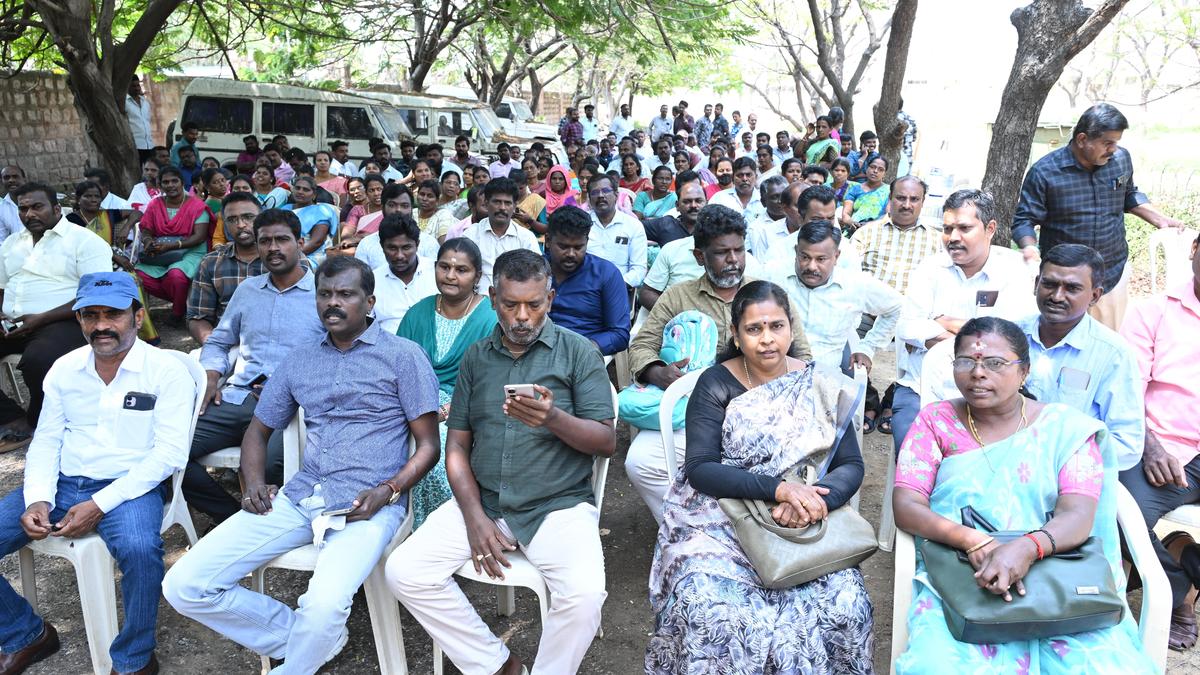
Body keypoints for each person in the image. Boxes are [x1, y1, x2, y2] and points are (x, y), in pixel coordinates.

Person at [165, 256, 440, 673]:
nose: (333, 303)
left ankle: (304, 651)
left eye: (345, 294)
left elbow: (428, 446)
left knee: (324, 605)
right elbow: (257, 431)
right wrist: (253, 482)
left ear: (369, 302)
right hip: (301, 495)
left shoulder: (403, 356)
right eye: (325, 294)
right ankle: (303, 639)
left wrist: (389, 490)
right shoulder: (301, 359)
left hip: (368, 505)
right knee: (184, 585)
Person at [386, 248, 615, 675]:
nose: (522, 316)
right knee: (404, 571)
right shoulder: (476, 357)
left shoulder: (578, 352)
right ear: (493, 298)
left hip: (556, 505)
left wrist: (554, 418)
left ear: (550, 298)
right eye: (511, 304)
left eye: (534, 303)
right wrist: (473, 516)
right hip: (486, 502)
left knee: (584, 596)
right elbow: (455, 448)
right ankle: (497, 665)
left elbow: (605, 441)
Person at [892, 317, 1156, 673]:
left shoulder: (1066, 429)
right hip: (962, 577)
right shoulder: (935, 422)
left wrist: (1026, 548)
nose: (978, 373)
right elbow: (907, 505)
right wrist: (971, 540)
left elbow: (1078, 515)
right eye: (966, 361)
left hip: (1057, 577)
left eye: (995, 363)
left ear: (1024, 371)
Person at [646, 280, 873, 673]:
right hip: (722, 515)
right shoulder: (715, 383)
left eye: (777, 326)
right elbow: (701, 468)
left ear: (790, 327)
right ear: (735, 334)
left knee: (846, 602)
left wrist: (816, 500)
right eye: (754, 329)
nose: (767, 340)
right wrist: (779, 490)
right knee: (711, 605)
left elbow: (850, 464)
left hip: (806, 517)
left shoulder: (817, 382)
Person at [0, 272, 194, 674]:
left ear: (137, 317)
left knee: (142, 552)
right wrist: (38, 496)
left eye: (113, 314)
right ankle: (25, 634)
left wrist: (100, 504)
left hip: (130, 487)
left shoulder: (165, 371)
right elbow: (47, 440)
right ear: (79, 319)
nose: (101, 325)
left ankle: (134, 657)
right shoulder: (64, 370)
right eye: (90, 315)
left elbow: (169, 455)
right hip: (62, 482)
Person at [626, 205, 811, 521]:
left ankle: (751, 523)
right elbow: (641, 345)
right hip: (694, 416)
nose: (733, 260)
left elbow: (804, 357)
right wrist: (659, 373)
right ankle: (689, 521)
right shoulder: (677, 297)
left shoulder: (767, 297)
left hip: (763, 417)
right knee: (639, 463)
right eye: (722, 253)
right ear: (700, 256)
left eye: (739, 250)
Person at [184, 208, 326, 523]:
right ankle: (230, 517)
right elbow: (220, 341)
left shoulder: (322, 292)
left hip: (289, 405)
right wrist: (211, 376)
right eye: (265, 241)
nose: (273, 248)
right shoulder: (248, 291)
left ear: (300, 243)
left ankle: (270, 520)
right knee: (168, 454)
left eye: (281, 240)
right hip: (236, 396)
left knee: (275, 464)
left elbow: (336, 352)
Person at [1013, 103, 1182, 331]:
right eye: (1107, 143)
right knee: (1061, 339)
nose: (1113, 149)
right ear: (1082, 139)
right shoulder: (1045, 172)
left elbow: (1129, 195)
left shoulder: (1120, 160)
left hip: (1111, 273)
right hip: (1064, 280)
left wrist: (1160, 220)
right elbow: (1024, 219)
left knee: (1107, 342)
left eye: (1116, 142)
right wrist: (1029, 248)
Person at [893, 189, 1036, 455]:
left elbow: (1012, 335)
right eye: (947, 229)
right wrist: (980, 339)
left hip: (991, 394)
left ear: (990, 228)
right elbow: (908, 328)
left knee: (1005, 461)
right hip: (919, 389)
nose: (953, 238)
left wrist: (941, 323)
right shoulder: (930, 268)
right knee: (916, 457)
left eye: (964, 228)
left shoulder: (1013, 271)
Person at [1117, 230, 1200, 650]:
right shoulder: (1153, 312)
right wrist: (1150, 445)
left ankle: (1183, 551)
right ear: (1194, 250)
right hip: (1167, 449)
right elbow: (1126, 392)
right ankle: (1175, 590)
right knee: (1115, 515)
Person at [397, 238, 498, 528]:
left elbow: (493, 380)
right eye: (444, 267)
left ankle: (440, 534)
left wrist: (446, 410)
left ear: (477, 276)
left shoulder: (490, 317)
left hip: (468, 408)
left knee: (437, 462)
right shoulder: (418, 312)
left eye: (462, 269)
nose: (451, 275)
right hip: (415, 405)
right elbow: (398, 370)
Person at [1016, 244, 1144, 470]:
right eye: (1049, 284)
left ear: (1095, 296)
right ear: (1036, 284)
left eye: (1072, 288)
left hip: (1073, 471)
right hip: (1006, 459)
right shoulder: (1010, 336)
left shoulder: (1113, 354)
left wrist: (1060, 454)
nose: (1056, 296)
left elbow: (1127, 445)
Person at [766, 221, 903, 373]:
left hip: (824, 380)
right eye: (805, 257)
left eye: (821, 259)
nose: (811, 266)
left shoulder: (855, 285)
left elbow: (897, 307)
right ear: (796, 251)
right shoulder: (772, 275)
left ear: (836, 256)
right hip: (772, 373)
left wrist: (868, 348)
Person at [66, 181, 159, 346]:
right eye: (88, 196)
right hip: (87, 264)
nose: (93, 200)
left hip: (113, 260)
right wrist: (114, 254)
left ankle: (142, 332)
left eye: (97, 196)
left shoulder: (108, 214)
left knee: (131, 280)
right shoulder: (72, 220)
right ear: (79, 199)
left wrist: (126, 227)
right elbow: (77, 246)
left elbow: (136, 213)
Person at [545, 206, 630, 355]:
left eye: (578, 247)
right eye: (563, 247)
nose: (571, 254)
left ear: (587, 242)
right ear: (548, 241)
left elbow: (619, 334)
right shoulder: (532, 271)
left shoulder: (606, 273)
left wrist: (584, 349)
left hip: (583, 354)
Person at [186, 192, 266, 344]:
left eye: (248, 217)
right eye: (232, 219)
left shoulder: (285, 258)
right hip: (228, 345)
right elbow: (198, 317)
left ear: (262, 218)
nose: (241, 225)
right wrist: (215, 347)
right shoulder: (211, 263)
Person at [135, 166, 212, 323]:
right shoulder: (155, 205)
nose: (170, 185)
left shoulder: (196, 206)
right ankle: (181, 300)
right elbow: (146, 229)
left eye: (174, 181)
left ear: (182, 182)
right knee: (138, 276)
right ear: (160, 186)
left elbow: (199, 237)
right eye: (165, 182)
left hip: (192, 250)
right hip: (161, 251)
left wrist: (172, 245)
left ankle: (177, 313)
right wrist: (148, 241)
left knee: (176, 275)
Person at [463, 178, 541, 289]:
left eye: (508, 203)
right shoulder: (470, 235)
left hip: (514, 300)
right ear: (486, 203)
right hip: (477, 300)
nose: (502, 208)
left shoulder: (526, 238)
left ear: (515, 206)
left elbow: (536, 274)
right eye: (497, 202)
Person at [372, 214, 438, 333]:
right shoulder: (373, 281)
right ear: (382, 246)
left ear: (417, 245)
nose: (399, 256)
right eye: (392, 248)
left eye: (406, 248)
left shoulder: (437, 272)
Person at [587, 173, 648, 288]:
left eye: (605, 191)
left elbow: (639, 269)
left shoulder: (633, 225)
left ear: (616, 195)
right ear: (589, 199)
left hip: (620, 287)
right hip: (586, 288)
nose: (601, 196)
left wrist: (615, 286)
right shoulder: (581, 223)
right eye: (595, 192)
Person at [282, 175, 336, 264]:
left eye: (305, 190)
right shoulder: (284, 209)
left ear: (314, 195)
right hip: (284, 251)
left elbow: (316, 242)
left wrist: (290, 257)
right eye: (297, 188)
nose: (300, 192)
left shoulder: (320, 211)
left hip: (311, 256)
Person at [643, 172, 705, 247]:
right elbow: (632, 226)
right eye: (687, 201)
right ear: (677, 205)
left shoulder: (715, 227)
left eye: (698, 201)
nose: (693, 205)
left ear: (707, 203)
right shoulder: (665, 225)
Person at [840, 155, 890, 233]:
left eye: (880, 169)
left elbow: (888, 215)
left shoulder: (889, 191)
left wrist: (868, 225)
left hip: (876, 231)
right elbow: (845, 214)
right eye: (873, 167)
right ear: (867, 168)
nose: (875, 171)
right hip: (853, 230)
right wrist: (852, 223)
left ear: (884, 174)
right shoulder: (855, 189)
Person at [744, 175, 790, 258]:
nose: (780, 201)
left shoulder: (799, 220)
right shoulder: (756, 228)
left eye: (783, 196)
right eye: (775, 197)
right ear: (763, 202)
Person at [709, 157, 762, 223]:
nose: (744, 179)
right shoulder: (719, 198)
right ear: (732, 178)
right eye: (740, 175)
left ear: (756, 177)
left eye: (748, 175)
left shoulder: (764, 200)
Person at [413, 179, 457, 245]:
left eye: (430, 196)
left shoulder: (443, 215)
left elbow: (443, 244)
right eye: (422, 194)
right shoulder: (412, 213)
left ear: (437, 200)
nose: (424, 199)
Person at [126, 76, 154, 163]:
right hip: (134, 145)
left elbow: (147, 121)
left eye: (138, 85)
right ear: (127, 86)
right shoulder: (124, 102)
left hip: (149, 144)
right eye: (133, 86)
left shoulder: (145, 102)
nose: (137, 88)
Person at [895, 99, 918, 176]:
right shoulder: (911, 118)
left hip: (895, 154)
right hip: (908, 153)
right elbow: (914, 138)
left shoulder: (893, 119)